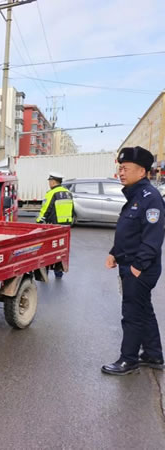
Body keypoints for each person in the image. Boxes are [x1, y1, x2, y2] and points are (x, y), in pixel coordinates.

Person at [102, 146, 165, 376]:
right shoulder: (136, 196)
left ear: (142, 171)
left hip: (140, 267)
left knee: (132, 315)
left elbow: (152, 239)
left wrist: (137, 267)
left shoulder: (150, 198)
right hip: (130, 263)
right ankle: (153, 354)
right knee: (144, 310)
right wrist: (114, 252)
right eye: (120, 168)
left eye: (126, 168)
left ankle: (128, 360)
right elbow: (130, 232)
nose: (121, 172)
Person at [36, 172, 74, 278]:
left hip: (54, 225)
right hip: (65, 226)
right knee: (61, 247)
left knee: (50, 248)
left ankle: (46, 272)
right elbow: (72, 209)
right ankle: (59, 272)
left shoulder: (52, 193)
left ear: (53, 182)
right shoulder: (68, 193)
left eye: (50, 181)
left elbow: (46, 209)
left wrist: (39, 221)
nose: (49, 183)